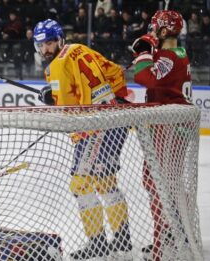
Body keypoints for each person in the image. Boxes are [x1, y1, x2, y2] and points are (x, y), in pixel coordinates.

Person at [34, 19, 132, 259]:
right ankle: (121, 240)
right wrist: (114, 100)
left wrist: (52, 99)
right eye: (42, 45)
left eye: (50, 43)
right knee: (106, 182)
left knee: (81, 185)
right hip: (114, 119)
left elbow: (66, 109)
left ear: (59, 40)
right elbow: (116, 73)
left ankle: (98, 243)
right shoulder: (80, 49)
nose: (46, 49)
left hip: (94, 127)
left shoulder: (56, 65)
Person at [130, 10, 192, 260]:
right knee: (160, 182)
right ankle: (176, 232)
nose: (151, 31)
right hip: (171, 125)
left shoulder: (168, 55)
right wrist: (146, 51)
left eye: (154, 28)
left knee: (159, 184)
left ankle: (165, 240)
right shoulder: (175, 54)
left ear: (164, 32)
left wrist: (143, 52)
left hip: (169, 127)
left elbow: (147, 78)